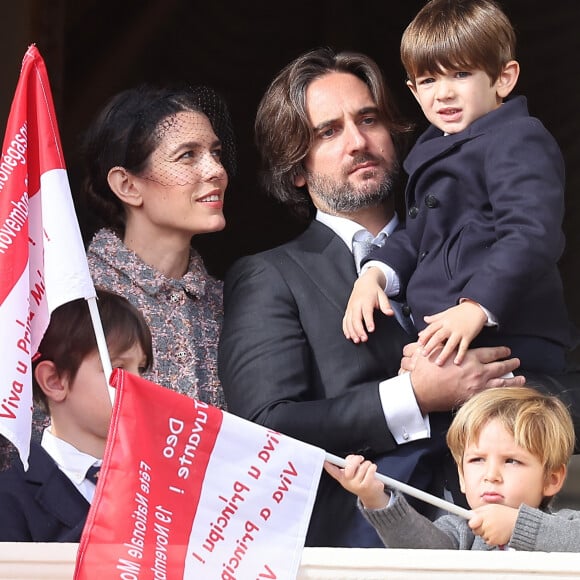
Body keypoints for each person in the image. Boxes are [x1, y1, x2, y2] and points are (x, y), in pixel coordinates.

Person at [218, 46, 524, 548]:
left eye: (369, 119)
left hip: (507, 541)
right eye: (328, 132)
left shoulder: (485, 241)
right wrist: (414, 396)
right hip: (362, 547)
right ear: (296, 168)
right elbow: (265, 428)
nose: (358, 141)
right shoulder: (270, 274)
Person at [343, 0, 575, 374]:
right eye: (429, 80)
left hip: (512, 340)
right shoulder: (431, 146)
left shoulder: (517, 137)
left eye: (461, 75)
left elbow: (531, 234)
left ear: (504, 78)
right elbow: (417, 240)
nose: (443, 93)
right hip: (449, 338)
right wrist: (375, 275)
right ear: (414, 91)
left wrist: (477, 306)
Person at [83, 83, 236, 408]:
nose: (217, 171)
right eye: (188, 155)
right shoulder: (73, 301)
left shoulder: (232, 305)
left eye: (216, 153)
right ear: (127, 185)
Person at [325, 386, 580, 551]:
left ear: (552, 479)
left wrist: (518, 526)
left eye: (511, 461)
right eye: (477, 460)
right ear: (461, 475)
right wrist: (375, 498)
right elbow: (423, 553)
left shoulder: (565, 524)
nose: (491, 476)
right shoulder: (459, 532)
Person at [0, 288, 153, 542]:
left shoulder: (163, 482)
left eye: (141, 369)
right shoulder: (10, 497)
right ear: (54, 381)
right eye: (117, 368)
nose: (137, 384)